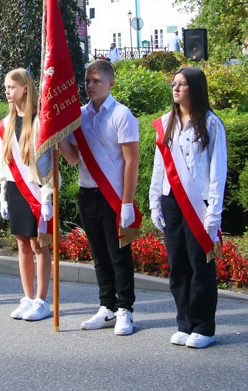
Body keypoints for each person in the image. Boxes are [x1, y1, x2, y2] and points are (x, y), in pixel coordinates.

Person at [58, 60, 140, 336]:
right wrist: (57, 135)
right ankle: (106, 306)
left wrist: (127, 202)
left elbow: (132, 162)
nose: (90, 86)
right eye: (87, 81)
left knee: (118, 254)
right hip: (87, 192)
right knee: (99, 255)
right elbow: (72, 159)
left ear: (111, 84)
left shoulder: (122, 115)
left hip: (114, 196)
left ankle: (125, 309)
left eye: (96, 81)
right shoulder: (79, 116)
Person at [148, 66, 227, 349]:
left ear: (195, 88)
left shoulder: (211, 123)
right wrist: (154, 200)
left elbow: (218, 171)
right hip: (171, 201)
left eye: (181, 84)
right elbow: (159, 166)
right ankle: (184, 323)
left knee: (200, 266)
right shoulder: (166, 122)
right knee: (177, 265)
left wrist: (213, 214)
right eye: (174, 83)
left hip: (199, 204)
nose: (176, 88)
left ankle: (204, 326)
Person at [0, 68, 53, 321]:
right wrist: (2, 194)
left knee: (39, 245)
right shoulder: (6, 125)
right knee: (22, 244)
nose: (7, 92)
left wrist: (48, 197)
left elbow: (49, 163)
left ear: (25, 88)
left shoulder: (41, 121)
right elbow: (3, 162)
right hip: (16, 189)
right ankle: (27, 297)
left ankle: (41, 301)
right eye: (6, 87)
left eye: (11, 87)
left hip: (37, 192)